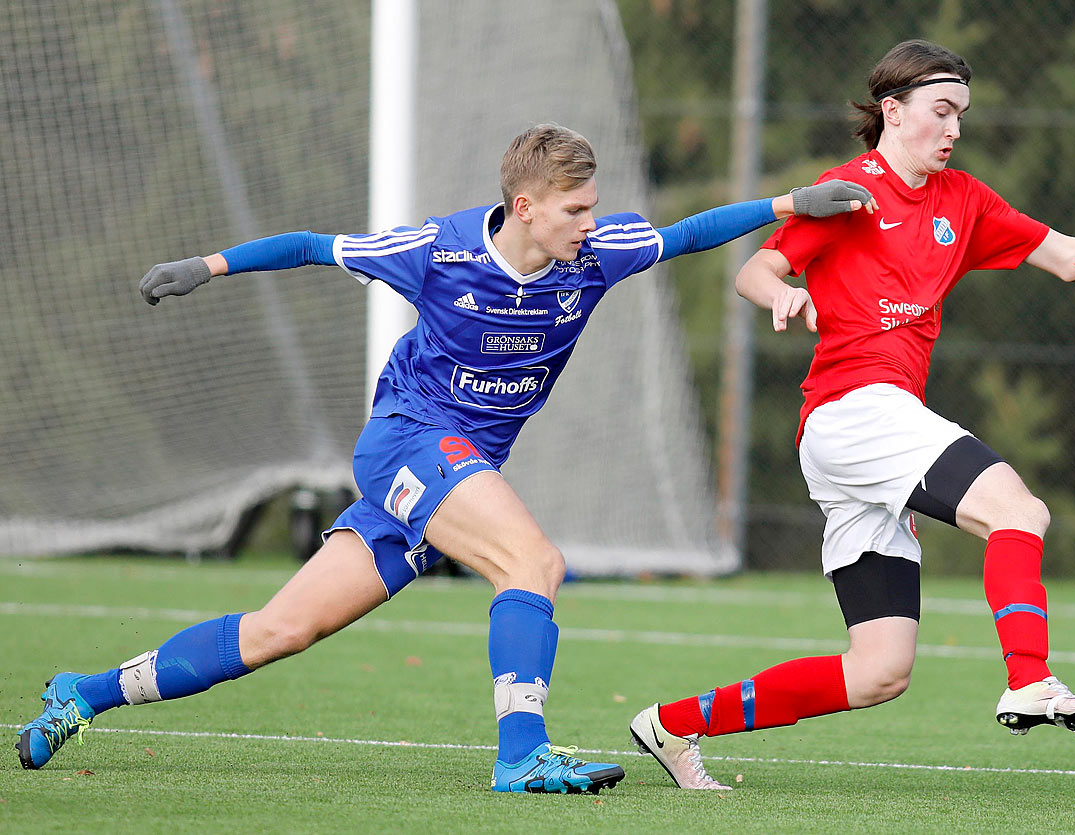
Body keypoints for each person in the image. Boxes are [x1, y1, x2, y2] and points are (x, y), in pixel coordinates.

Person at [16, 123, 874, 794]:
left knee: (280, 629)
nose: (592, 222)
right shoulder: (439, 250)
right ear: (527, 204)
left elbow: (690, 233)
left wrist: (796, 202)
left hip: (454, 468)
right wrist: (205, 265)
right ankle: (523, 754)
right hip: (409, 442)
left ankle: (81, 692)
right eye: (575, 209)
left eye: (593, 206)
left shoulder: (598, 255)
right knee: (532, 560)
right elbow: (317, 245)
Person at [631, 40, 1075, 790]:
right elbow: (756, 268)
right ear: (893, 112)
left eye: (961, 115)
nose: (953, 129)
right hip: (854, 410)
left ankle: (674, 724)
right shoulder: (851, 189)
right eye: (941, 111)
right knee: (1019, 511)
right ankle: (1030, 678)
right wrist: (782, 294)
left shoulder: (965, 199)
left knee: (878, 670)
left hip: (863, 433)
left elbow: (1074, 257)